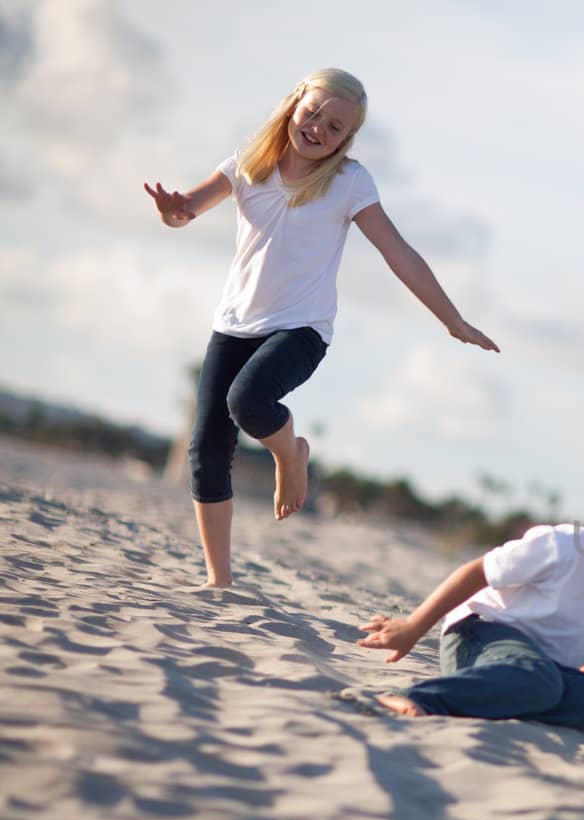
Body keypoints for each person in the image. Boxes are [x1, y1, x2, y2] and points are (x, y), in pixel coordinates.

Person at [144, 68, 499, 587]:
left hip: (301, 331)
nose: (317, 129)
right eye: (313, 113)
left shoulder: (348, 183)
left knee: (248, 401)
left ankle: (291, 454)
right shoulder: (247, 166)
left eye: (335, 127)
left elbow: (399, 253)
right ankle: (219, 580)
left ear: (347, 139)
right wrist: (172, 212)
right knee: (205, 450)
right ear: (294, 104)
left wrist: (452, 320)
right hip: (234, 325)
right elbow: (187, 211)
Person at [352, 474, 584, 733]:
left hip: (544, 670)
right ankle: (416, 697)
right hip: (482, 635)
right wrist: (415, 626)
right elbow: (479, 571)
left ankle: (511, 699)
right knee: (538, 680)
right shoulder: (565, 548)